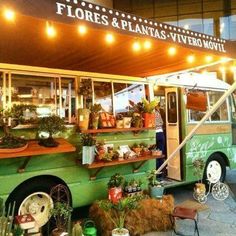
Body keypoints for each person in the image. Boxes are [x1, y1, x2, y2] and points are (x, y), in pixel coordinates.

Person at [155, 103, 166, 177]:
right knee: (160, 154)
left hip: (154, 134)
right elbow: (162, 122)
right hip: (161, 133)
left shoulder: (150, 113)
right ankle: (160, 173)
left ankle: (156, 173)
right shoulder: (158, 112)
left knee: (154, 154)